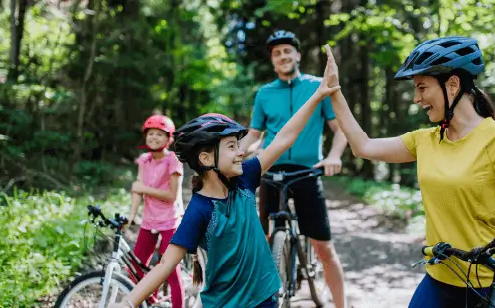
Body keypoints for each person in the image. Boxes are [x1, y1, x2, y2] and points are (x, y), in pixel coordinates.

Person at [321, 38, 495, 307]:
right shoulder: (425, 140)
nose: (417, 98)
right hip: (440, 278)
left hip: (492, 282)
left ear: (452, 85)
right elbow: (363, 146)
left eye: (422, 88)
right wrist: (334, 91)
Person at [110, 47, 341, 308]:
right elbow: (165, 264)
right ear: (207, 159)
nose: (241, 152)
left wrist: (318, 94)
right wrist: (127, 303)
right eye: (232, 147)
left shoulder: (245, 179)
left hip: (266, 297)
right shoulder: (199, 210)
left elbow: (286, 135)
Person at [239, 30, 348, 308]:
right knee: (263, 240)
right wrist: (237, 154)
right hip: (271, 172)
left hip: (307, 172)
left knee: (323, 247)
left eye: (288, 51)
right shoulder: (264, 94)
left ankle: (341, 305)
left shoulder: (316, 87)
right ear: (272, 61)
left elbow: (341, 130)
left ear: (298, 55)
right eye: (277, 53)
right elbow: (254, 135)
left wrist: (334, 156)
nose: (283, 56)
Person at [128, 114, 185, 307]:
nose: (154, 137)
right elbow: (137, 188)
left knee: (170, 270)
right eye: (150, 133)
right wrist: (131, 217)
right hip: (149, 220)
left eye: (159, 134)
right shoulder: (144, 160)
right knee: (134, 267)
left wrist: (144, 189)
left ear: (168, 138)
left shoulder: (173, 160)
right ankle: (153, 302)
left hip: (170, 219)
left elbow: (171, 195)